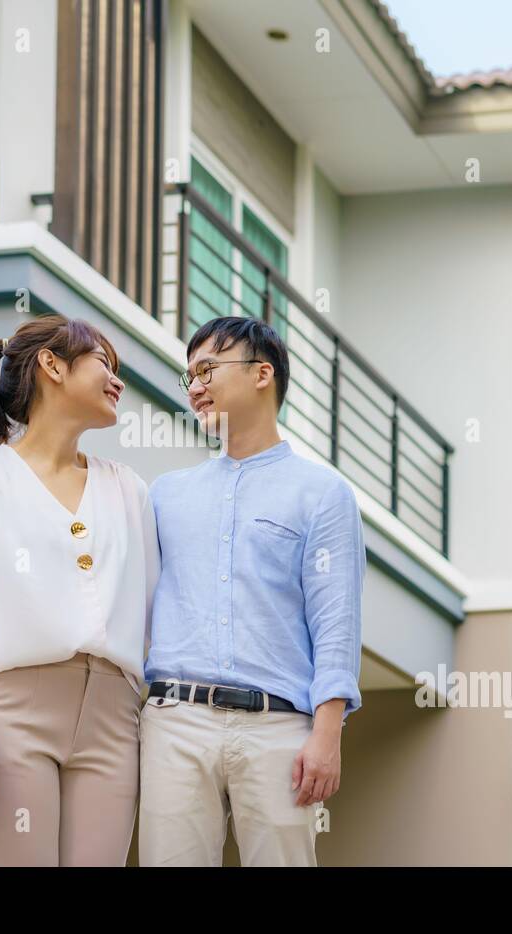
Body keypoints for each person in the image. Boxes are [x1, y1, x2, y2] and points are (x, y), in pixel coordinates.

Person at [139, 315, 366, 866]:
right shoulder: (164, 496)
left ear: (262, 373)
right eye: (188, 376)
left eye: (208, 369)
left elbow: (336, 622)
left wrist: (327, 735)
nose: (195, 387)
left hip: (280, 727)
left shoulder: (324, 494)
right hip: (175, 720)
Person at [0, 314, 158, 866]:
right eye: (104, 362)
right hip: (15, 715)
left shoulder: (129, 488)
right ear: (52, 365)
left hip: (115, 716)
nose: (118, 381)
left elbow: (155, 613)